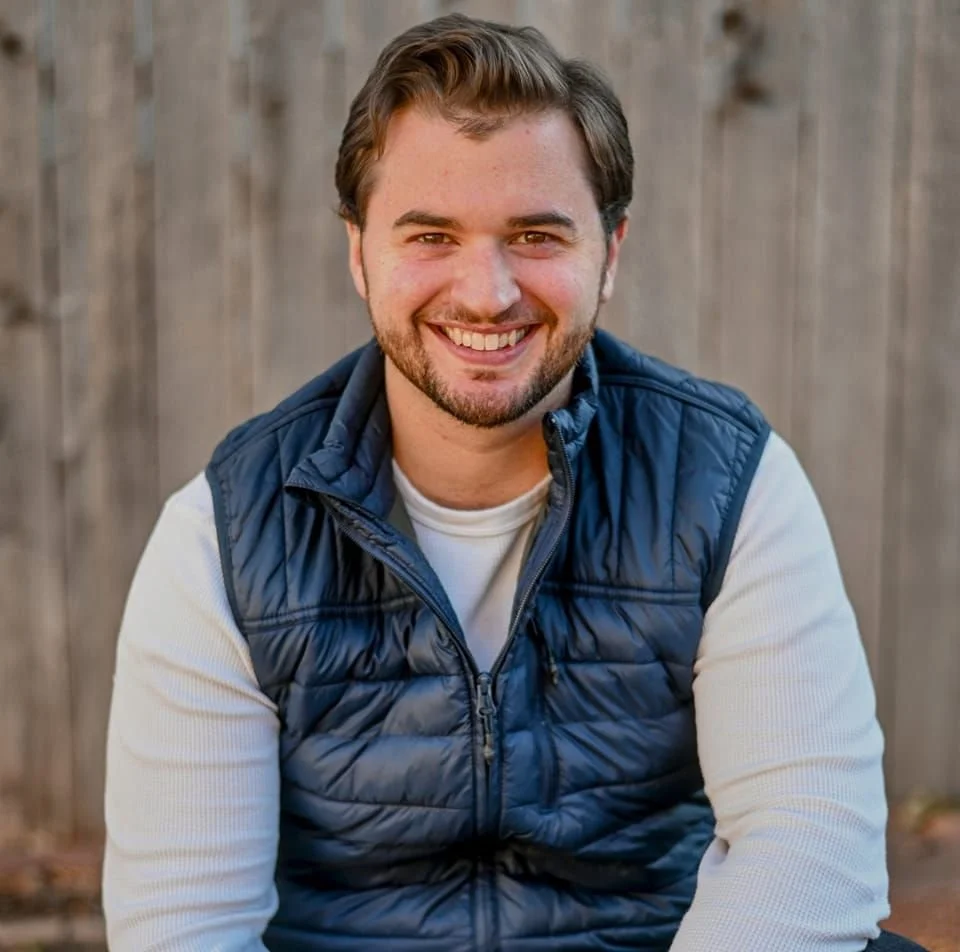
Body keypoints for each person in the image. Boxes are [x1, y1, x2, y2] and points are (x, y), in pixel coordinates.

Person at [102, 13, 927, 952]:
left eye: (536, 234)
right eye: (430, 236)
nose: (487, 292)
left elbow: (811, 843)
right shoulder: (227, 531)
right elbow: (184, 927)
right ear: (358, 251)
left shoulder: (725, 482)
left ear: (608, 254)